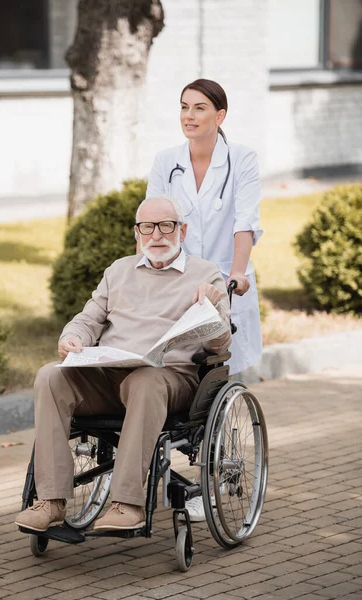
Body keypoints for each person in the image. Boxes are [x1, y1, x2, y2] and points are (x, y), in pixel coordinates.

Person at [15, 196, 232, 533]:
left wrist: (213, 309)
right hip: (110, 375)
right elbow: (89, 319)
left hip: (168, 379)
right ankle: (51, 500)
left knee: (144, 381)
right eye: (148, 227)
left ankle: (126, 503)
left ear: (182, 230)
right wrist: (72, 337)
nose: (156, 235)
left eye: (166, 226)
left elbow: (220, 344)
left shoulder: (205, 274)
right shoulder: (118, 271)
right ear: (137, 232)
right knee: (49, 377)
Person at [146, 78, 263, 521]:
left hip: (227, 284)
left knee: (215, 379)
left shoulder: (242, 160)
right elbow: (155, 219)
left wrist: (234, 273)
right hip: (176, 282)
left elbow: (244, 221)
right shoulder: (166, 162)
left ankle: (210, 478)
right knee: (170, 367)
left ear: (220, 116)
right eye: (183, 107)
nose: (189, 116)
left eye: (199, 108)